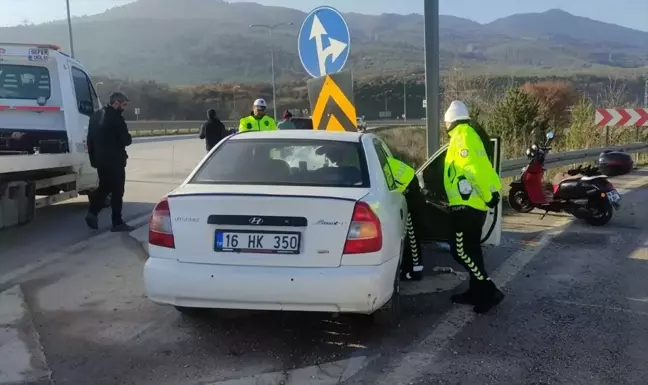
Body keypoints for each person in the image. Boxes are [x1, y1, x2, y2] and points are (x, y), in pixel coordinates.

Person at [443, 100, 504, 314]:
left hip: (467, 205)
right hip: (473, 204)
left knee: (459, 250)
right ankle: (475, 290)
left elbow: (472, 171)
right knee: (473, 250)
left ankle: (489, 291)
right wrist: (491, 193)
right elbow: (483, 168)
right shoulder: (471, 135)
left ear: (448, 121)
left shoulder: (461, 137)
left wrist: (487, 196)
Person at [85, 91, 134, 233]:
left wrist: (94, 160)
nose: (124, 108)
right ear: (116, 103)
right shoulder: (117, 119)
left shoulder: (95, 116)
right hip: (115, 161)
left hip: (100, 160)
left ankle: (92, 212)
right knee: (118, 192)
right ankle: (117, 223)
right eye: (123, 105)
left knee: (104, 187)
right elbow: (126, 140)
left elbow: (90, 140)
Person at [386, 156, 426, 281]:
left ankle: (416, 271)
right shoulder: (383, 158)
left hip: (408, 190)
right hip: (410, 184)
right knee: (411, 233)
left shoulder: (375, 164)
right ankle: (412, 268)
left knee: (412, 233)